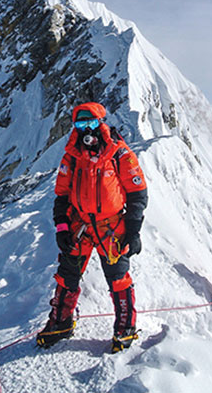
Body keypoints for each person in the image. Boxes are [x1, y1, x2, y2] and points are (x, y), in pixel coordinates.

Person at [36, 102, 148, 353]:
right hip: (79, 225)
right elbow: (62, 195)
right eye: (80, 124)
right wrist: (63, 227)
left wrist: (133, 230)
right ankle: (61, 321)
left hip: (112, 226)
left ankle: (125, 327)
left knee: (118, 277)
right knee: (67, 275)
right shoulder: (71, 156)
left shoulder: (119, 154)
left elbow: (137, 193)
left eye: (91, 123)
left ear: (101, 123)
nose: (86, 129)